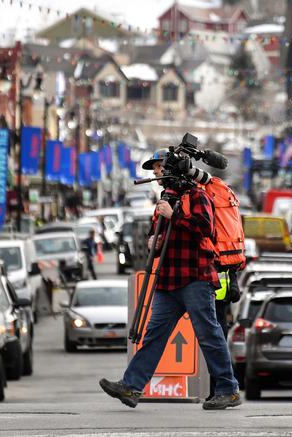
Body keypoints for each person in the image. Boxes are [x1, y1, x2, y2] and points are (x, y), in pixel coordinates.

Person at [99, 150, 240, 411]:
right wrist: (155, 238)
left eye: (158, 168)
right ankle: (131, 387)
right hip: (169, 278)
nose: (155, 173)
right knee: (154, 335)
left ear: (171, 169)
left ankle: (227, 389)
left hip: (196, 277)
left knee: (209, 334)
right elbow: (157, 232)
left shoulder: (196, 195)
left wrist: (174, 216)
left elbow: (204, 228)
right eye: (153, 169)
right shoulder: (165, 199)